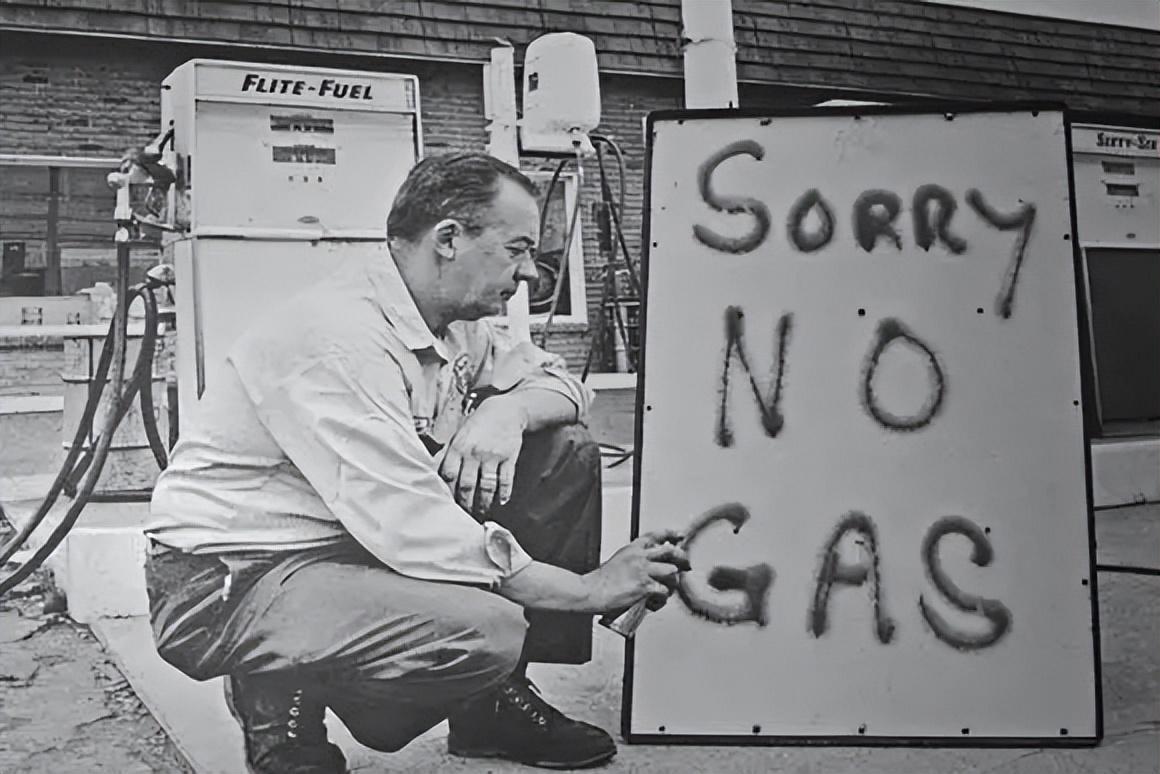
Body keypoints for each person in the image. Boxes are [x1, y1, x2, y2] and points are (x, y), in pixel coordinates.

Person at [144, 152, 688, 774]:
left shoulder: (453, 321)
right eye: (516, 249)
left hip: (349, 548)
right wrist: (589, 590)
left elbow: (566, 386)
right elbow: (417, 529)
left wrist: (506, 412)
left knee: (561, 449)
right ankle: (278, 693)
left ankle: (490, 705)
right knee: (486, 630)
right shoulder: (338, 337)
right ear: (448, 239)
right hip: (232, 576)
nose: (529, 274)